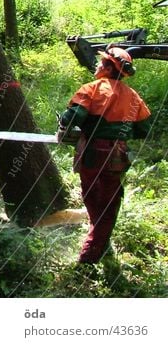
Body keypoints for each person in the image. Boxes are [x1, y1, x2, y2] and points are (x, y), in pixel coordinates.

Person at [59, 46, 151, 264]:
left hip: (91, 153)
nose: (97, 65)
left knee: (91, 195)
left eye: (102, 62)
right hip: (117, 154)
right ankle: (98, 242)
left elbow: (71, 118)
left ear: (109, 67)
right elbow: (144, 129)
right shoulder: (133, 96)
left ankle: (90, 254)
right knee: (109, 202)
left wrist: (68, 122)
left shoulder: (91, 89)